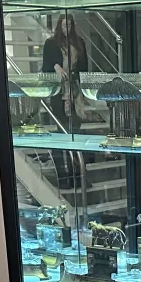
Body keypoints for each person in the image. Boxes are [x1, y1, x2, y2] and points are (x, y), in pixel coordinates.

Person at [42, 15, 89, 189]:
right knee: (61, 132)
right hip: (59, 92)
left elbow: (84, 67)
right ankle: (63, 175)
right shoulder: (51, 43)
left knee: (76, 130)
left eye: (69, 25)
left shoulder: (79, 43)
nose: (66, 28)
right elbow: (46, 67)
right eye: (63, 25)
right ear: (59, 26)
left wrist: (82, 88)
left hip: (75, 91)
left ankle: (78, 175)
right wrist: (55, 66)